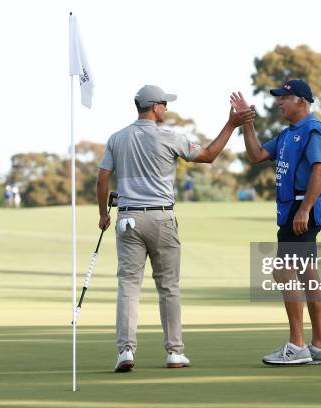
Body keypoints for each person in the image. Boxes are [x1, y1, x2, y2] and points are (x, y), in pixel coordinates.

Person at [97, 84, 255, 373]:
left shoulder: (117, 138)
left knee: (128, 287)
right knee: (168, 287)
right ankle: (174, 353)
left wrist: (102, 215)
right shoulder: (170, 137)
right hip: (161, 219)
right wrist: (231, 124)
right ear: (155, 107)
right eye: (164, 104)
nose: (167, 109)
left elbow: (102, 177)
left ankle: (125, 350)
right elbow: (208, 155)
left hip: (127, 219)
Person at [231, 80, 321, 365]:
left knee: (283, 272)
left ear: (301, 101)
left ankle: (297, 344)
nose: (279, 102)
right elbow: (256, 156)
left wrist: (305, 209)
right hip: (293, 211)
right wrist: (246, 124)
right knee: (307, 276)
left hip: (302, 211)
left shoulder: (314, 131)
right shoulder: (288, 134)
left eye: (285, 98)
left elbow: (320, 170)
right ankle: (320, 346)